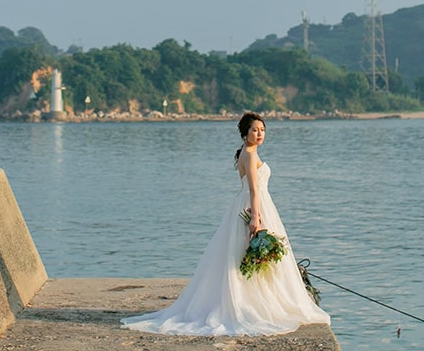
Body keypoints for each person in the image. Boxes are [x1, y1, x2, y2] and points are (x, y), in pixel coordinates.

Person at [121, 111, 330, 336]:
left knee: (247, 256)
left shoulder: (247, 153)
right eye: (255, 130)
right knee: (249, 255)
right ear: (245, 133)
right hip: (253, 206)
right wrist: (256, 217)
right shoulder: (249, 155)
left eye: (262, 130)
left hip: (251, 204)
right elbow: (253, 189)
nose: (259, 134)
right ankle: (253, 304)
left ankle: (257, 299)